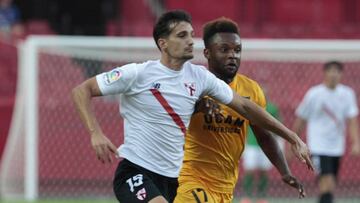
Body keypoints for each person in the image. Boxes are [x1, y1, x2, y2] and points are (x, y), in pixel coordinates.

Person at [72, 10, 312, 203]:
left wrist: (292, 137)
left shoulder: (199, 77)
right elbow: (81, 90)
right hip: (136, 171)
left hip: (172, 179)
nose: (190, 41)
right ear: (163, 43)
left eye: (191, 34)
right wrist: (96, 133)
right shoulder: (137, 73)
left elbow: (245, 107)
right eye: (182, 35)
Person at [173, 17, 311, 203]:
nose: (233, 55)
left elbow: (263, 135)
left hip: (226, 187)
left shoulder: (251, 90)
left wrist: (284, 172)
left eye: (237, 50)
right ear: (207, 53)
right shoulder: (192, 82)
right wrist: (197, 106)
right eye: (224, 49)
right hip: (191, 180)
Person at [293, 61, 360, 203]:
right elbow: (301, 119)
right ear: (324, 73)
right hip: (318, 146)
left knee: (329, 185)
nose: (334, 74)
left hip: (337, 147)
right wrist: (293, 142)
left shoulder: (347, 94)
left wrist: (356, 142)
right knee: (327, 182)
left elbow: (352, 120)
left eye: (337, 71)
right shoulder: (314, 94)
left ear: (341, 74)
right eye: (331, 71)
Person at [241, 88, 284, 203]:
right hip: (251, 144)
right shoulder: (250, 107)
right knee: (249, 170)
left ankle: (262, 197)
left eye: (265, 94)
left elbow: (279, 124)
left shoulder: (272, 108)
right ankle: (247, 196)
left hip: (266, 145)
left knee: (263, 171)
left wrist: (277, 142)